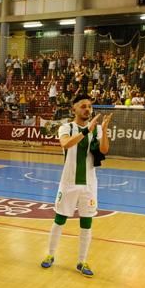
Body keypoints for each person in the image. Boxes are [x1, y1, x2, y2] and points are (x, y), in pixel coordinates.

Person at [40, 96, 111, 277]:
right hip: (69, 182)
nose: (88, 109)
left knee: (86, 223)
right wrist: (87, 130)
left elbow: (104, 150)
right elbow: (66, 143)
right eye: (83, 106)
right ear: (74, 109)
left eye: (89, 107)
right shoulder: (67, 127)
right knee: (60, 220)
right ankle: (50, 254)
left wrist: (104, 129)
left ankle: (82, 260)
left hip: (89, 184)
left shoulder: (95, 130)